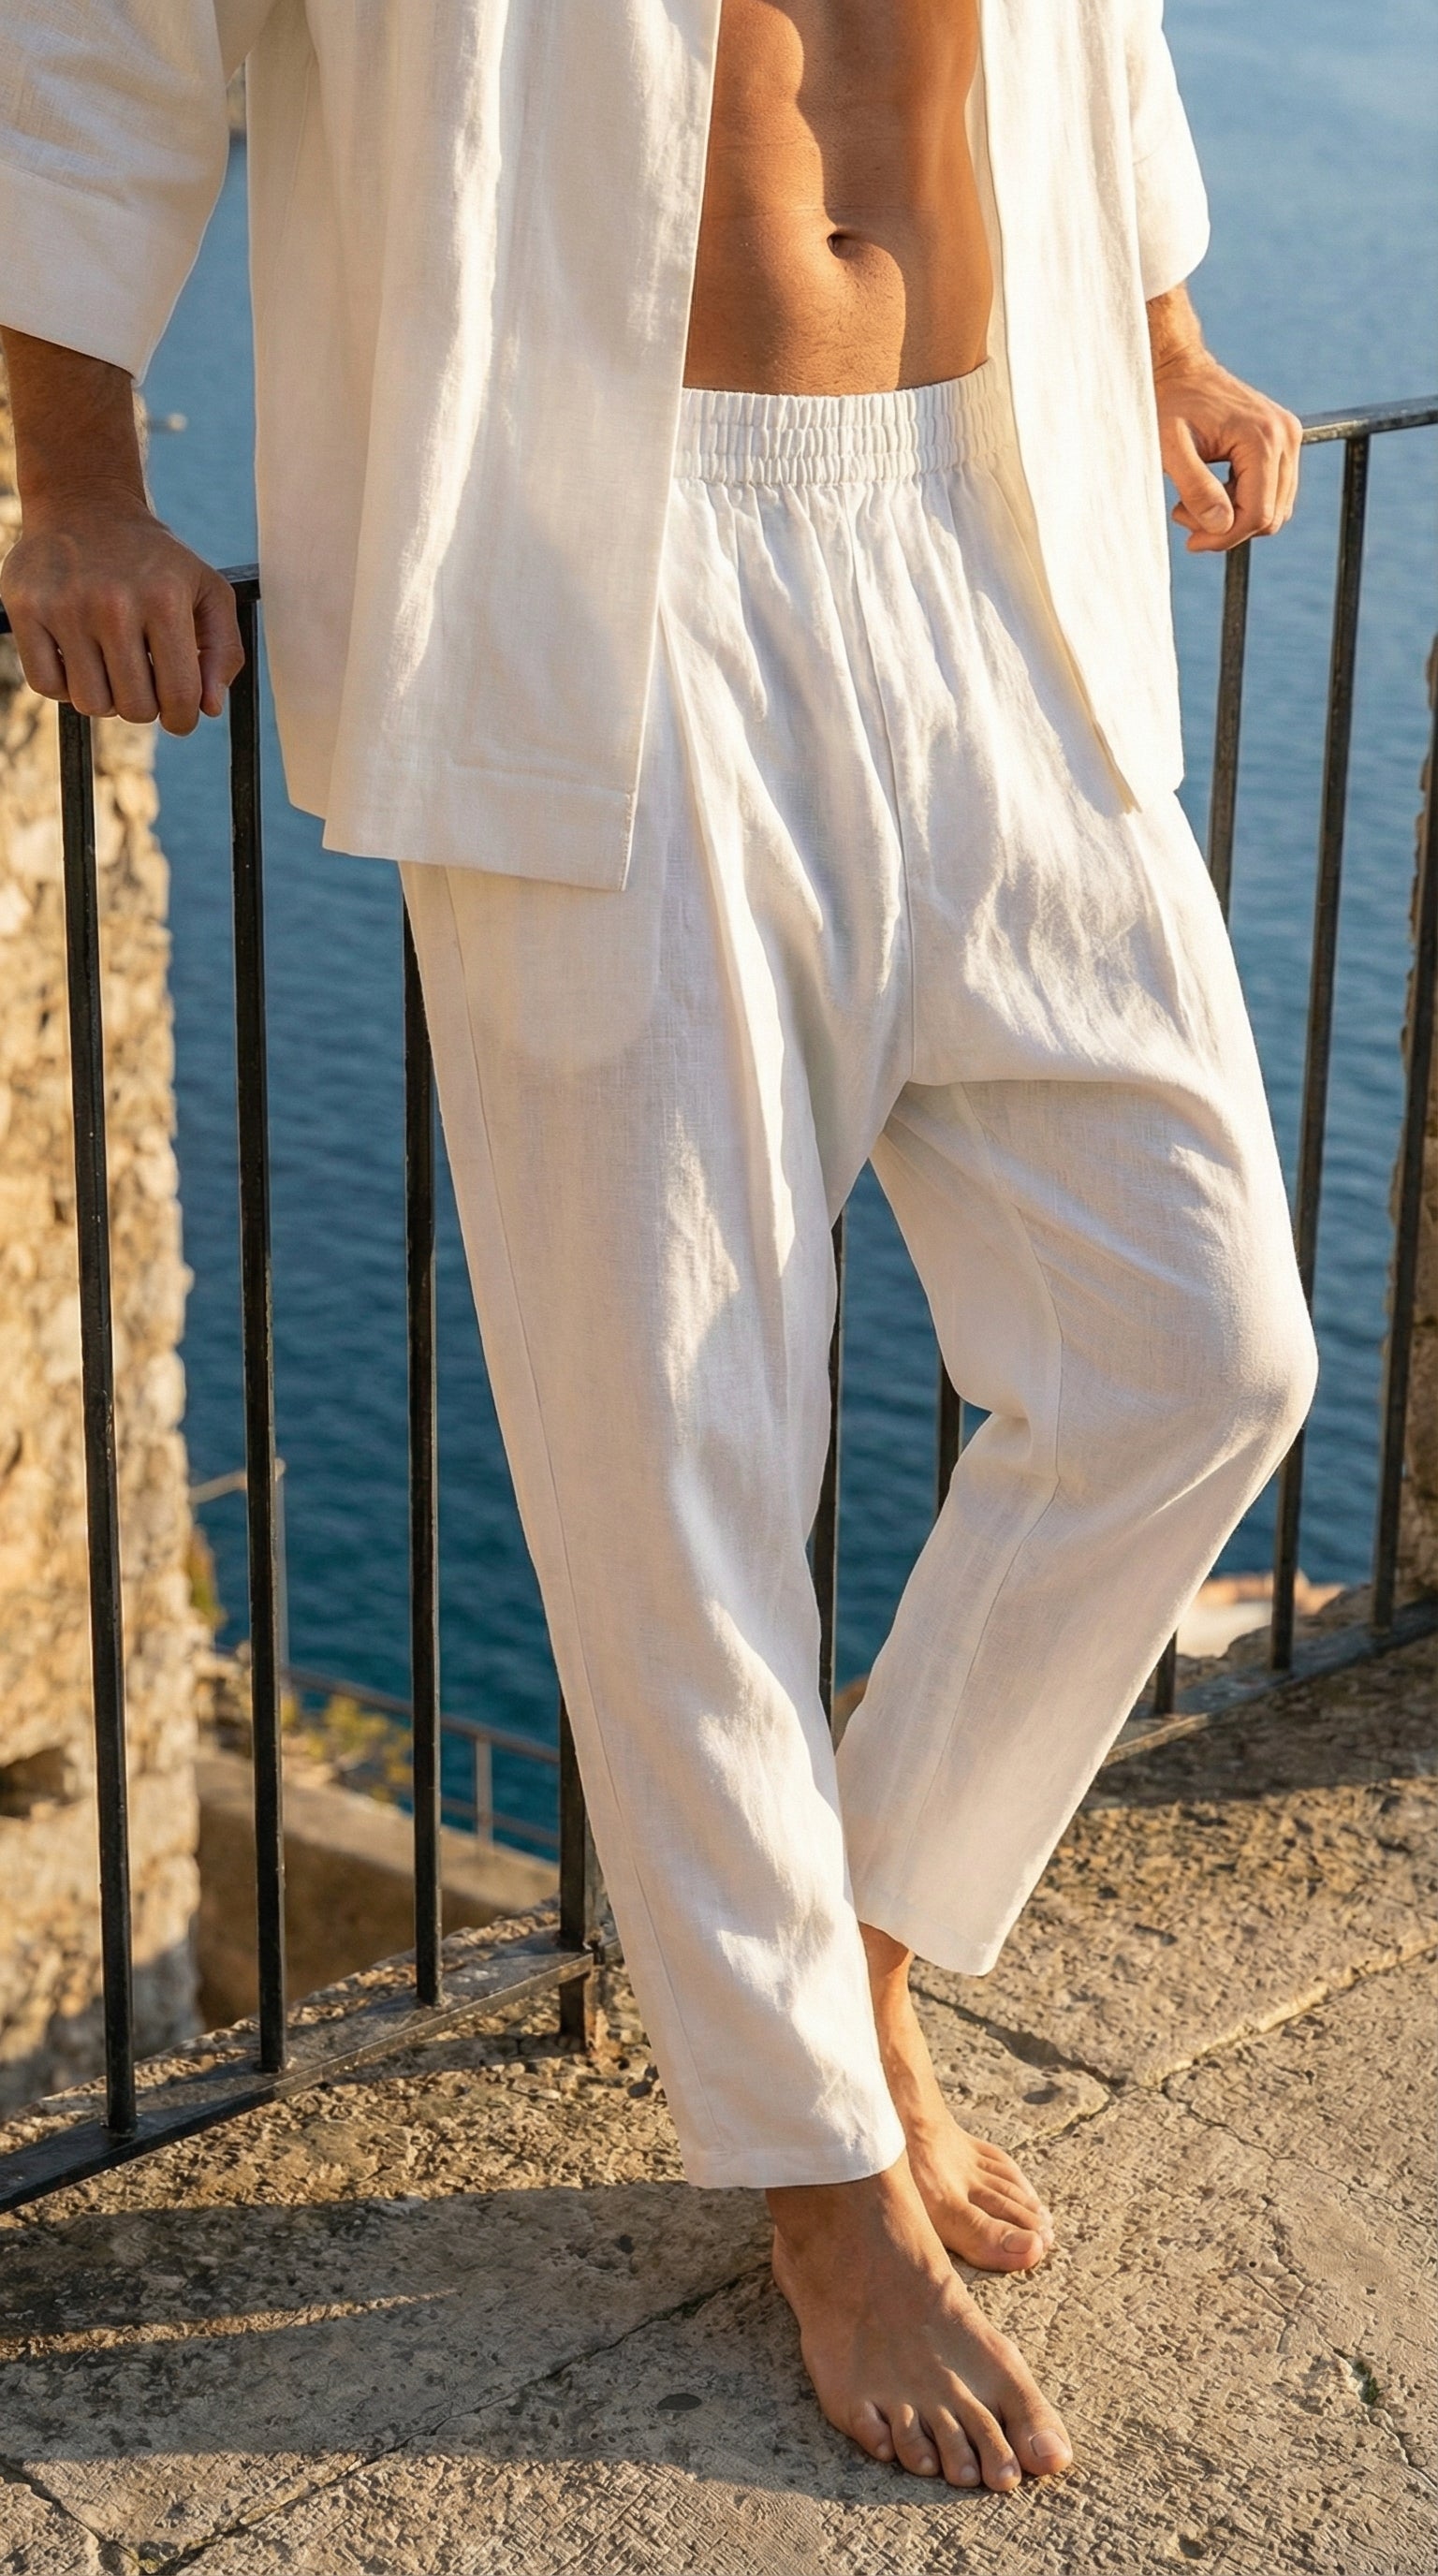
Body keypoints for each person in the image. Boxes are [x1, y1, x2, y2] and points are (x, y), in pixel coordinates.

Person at [0, 0, 1315, 2494]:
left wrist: (1158, 331)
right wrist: (73, 485)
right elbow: (94, 37)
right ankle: (819, 2171)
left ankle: (858, 1958)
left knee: (1203, 1347)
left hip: (995, 502)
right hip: (601, 564)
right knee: (674, 1440)